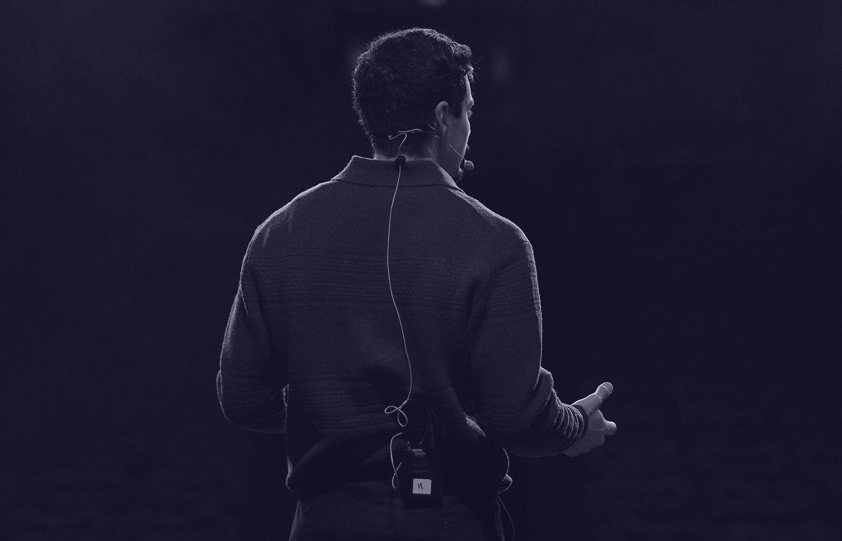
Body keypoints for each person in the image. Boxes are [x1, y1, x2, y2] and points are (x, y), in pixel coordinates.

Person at [217, 28, 617, 541]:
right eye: (469, 112)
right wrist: (572, 427)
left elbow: (244, 400)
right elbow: (515, 416)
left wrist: (341, 409)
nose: (470, 128)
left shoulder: (279, 232)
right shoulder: (496, 242)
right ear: (442, 117)